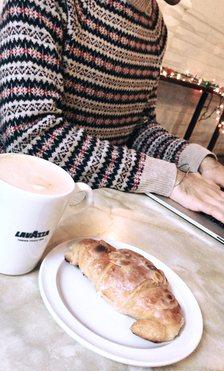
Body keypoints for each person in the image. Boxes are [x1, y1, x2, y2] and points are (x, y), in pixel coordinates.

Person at [0, 0, 223, 222]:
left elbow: (138, 127)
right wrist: (170, 179)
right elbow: (29, 133)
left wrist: (200, 161)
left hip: (91, 209)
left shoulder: (156, 26)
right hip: (19, 209)